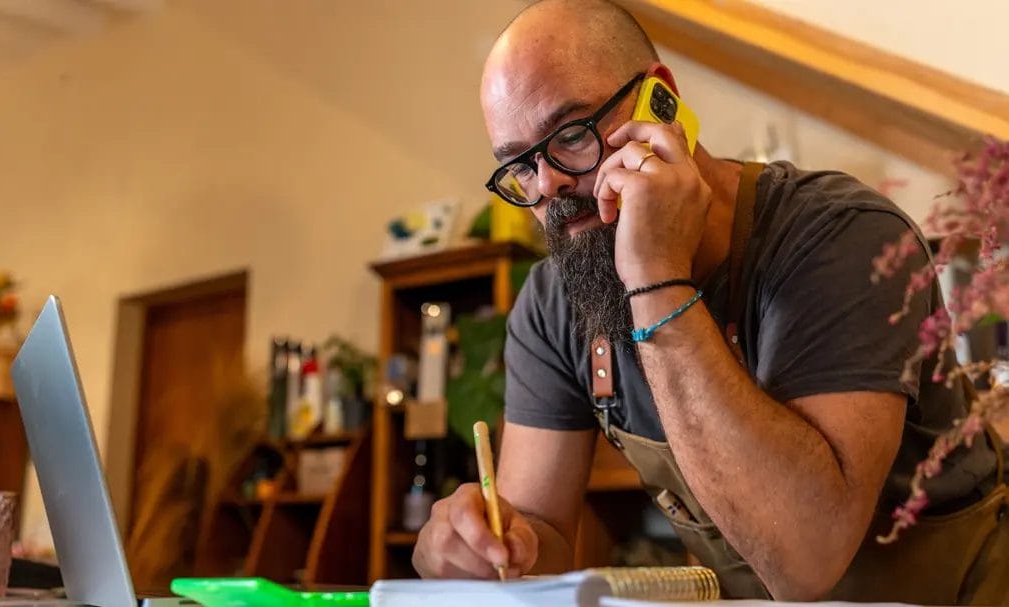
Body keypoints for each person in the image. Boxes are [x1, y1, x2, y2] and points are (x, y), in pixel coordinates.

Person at [411, 0, 1009, 603]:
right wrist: (487, 550)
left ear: (660, 100)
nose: (549, 185)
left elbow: (808, 559)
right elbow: (540, 537)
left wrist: (655, 278)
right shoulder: (553, 304)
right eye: (519, 165)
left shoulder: (843, 236)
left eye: (570, 134)